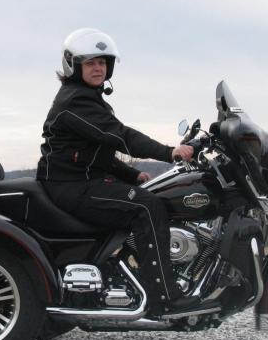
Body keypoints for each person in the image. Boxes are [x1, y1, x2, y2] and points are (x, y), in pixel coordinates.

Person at [36, 28, 199, 314]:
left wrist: (131, 175)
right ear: (73, 66)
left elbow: (93, 151)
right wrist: (168, 151)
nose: (98, 68)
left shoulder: (85, 97)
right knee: (148, 207)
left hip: (76, 179)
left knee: (146, 196)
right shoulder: (76, 101)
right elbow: (118, 135)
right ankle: (164, 296)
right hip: (71, 186)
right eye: (90, 63)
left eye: (102, 62)